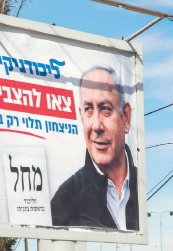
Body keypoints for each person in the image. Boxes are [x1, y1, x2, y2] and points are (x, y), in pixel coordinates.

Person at [50, 66, 139, 230]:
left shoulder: (140, 184)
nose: (96, 126)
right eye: (88, 110)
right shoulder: (65, 201)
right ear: (81, 117)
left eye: (105, 109)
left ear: (125, 117)